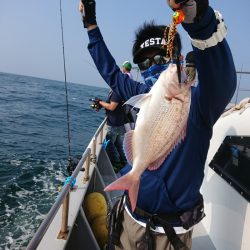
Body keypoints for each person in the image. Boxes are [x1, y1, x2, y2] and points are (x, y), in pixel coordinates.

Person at [79, 0, 236, 249]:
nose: (153, 66)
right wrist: (91, 26)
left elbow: (223, 79)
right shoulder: (141, 93)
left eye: (162, 57)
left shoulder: (198, 102)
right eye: (144, 63)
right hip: (129, 219)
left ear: (178, 59)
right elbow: (110, 72)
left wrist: (199, 20)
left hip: (171, 235)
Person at [98, 90, 128, 172]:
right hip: (120, 123)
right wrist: (103, 105)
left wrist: (100, 102)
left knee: (110, 144)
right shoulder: (123, 91)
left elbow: (112, 107)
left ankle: (116, 163)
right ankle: (124, 162)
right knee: (118, 145)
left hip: (114, 125)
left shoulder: (116, 92)